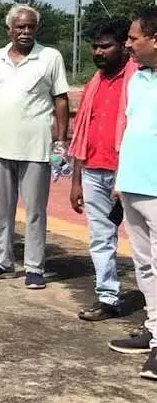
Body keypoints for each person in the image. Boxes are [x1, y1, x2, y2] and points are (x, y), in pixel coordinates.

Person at [0, 4, 70, 289]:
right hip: (0, 147)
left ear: (35, 29)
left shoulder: (50, 57)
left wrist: (60, 140)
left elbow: (61, 99)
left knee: (35, 210)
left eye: (30, 27)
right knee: (1, 209)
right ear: (9, 30)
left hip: (36, 147)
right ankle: (3, 261)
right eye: (20, 27)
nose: (25, 32)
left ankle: (34, 267)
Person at [69, 20, 137, 319]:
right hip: (94, 171)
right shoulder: (93, 84)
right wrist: (76, 181)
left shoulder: (139, 81)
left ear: (124, 46)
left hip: (134, 174)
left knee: (144, 243)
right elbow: (80, 135)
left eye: (106, 46)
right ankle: (107, 297)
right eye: (95, 46)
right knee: (101, 238)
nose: (99, 52)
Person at [105, 8, 157, 380]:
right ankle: (155, 330)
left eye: (134, 38)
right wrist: (121, 180)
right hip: (135, 184)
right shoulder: (137, 79)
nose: (128, 45)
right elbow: (132, 129)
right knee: (145, 265)